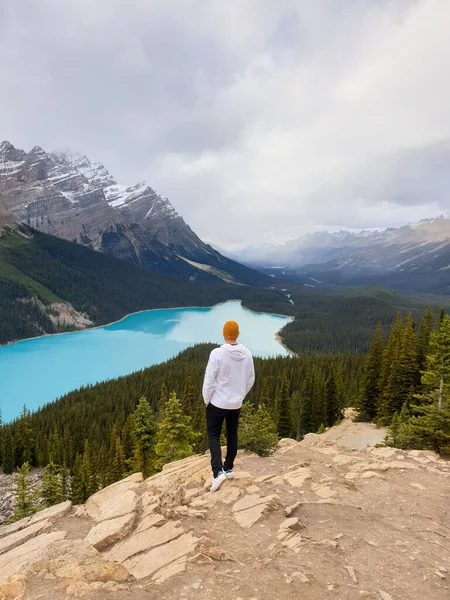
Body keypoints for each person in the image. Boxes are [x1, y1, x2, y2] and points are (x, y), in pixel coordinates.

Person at [202, 320, 255, 492]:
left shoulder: (217, 354)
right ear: (237, 334)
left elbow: (209, 380)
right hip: (235, 403)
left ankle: (217, 473)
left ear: (224, 334)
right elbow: (250, 379)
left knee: (213, 435)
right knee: (232, 433)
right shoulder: (247, 354)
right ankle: (229, 468)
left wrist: (206, 399)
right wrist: (240, 395)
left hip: (217, 402)